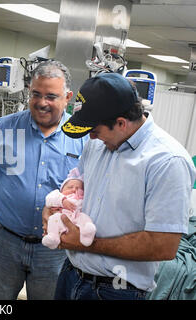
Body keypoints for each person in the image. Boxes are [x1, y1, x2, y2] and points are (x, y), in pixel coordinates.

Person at [47, 72, 196, 300]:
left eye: (95, 132)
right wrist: (60, 206)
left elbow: (163, 246)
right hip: (71, 274)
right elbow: (79, 180)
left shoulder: (167, 162)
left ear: (121, 123)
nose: (93, 138)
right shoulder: (97, 145)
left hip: (116, 289)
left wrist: (87, 243)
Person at [0, 60, 88, 300]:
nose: (42, 102)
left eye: (51, 96)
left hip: (55, 248)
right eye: (36, 94)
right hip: (3, 240)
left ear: (68, 97)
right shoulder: (3, 128)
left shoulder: (83, 139)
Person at [42, 168, 96, 250]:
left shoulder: (83, 199)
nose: (74, 189)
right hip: (60, 217)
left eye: (78, 188)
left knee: (84, 218)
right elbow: (49, 199)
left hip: (76, 219)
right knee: (53, 219)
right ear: (62, 189)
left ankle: (87, 235)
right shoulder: (58, 195)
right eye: (70, 187)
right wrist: (62, 201)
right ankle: (53, 237)